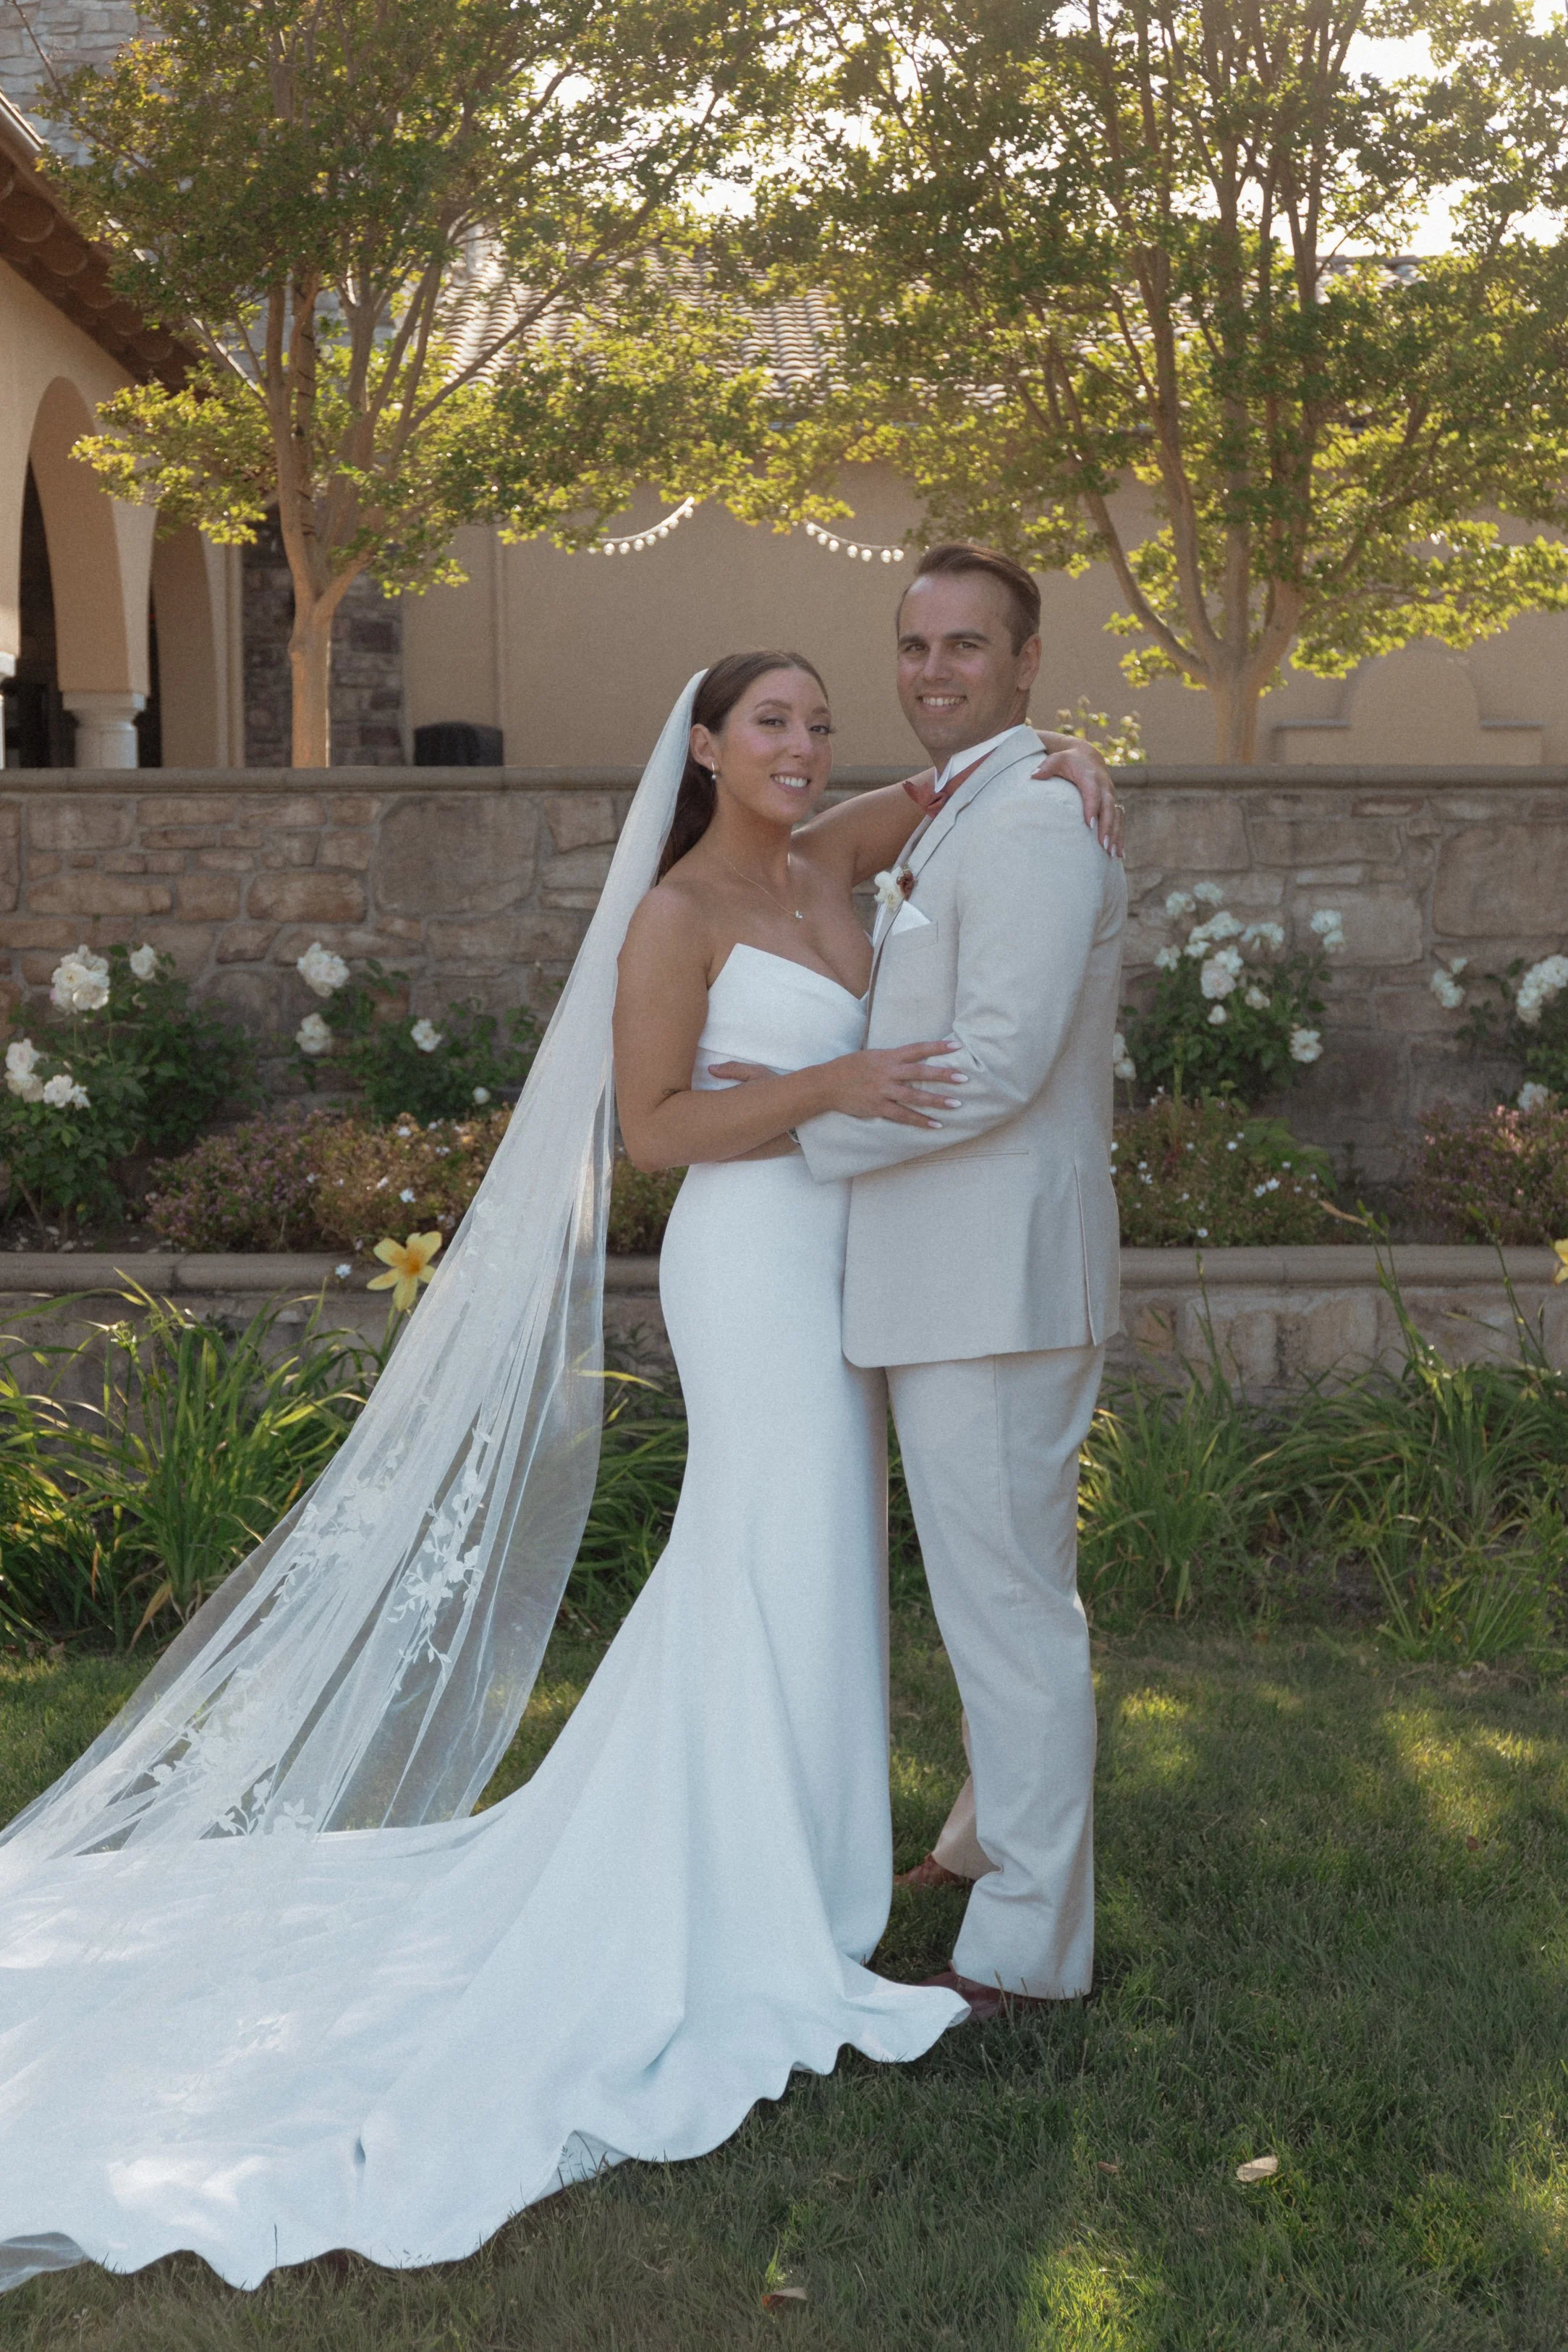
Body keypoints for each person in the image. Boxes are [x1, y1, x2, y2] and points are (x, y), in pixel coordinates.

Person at [0, 650, 1117, 2297]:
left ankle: (806, 1850)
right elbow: (655, 1129)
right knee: (770, 1537)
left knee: (810, 1560)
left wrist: (1078, 748)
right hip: (751, 1259)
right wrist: (830, 1083)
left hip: (853, 1255)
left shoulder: (836, 849)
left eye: (818, 720)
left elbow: (973, 780)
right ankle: (745, 1876)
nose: (807, 746)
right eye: (773, 726)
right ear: (710, 751)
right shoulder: (676, 913)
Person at [792, 545, 1129, 2021]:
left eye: (968, 646)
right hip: (950, 1277)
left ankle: (1029, 1949)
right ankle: (987, 1838)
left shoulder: (1042, 819)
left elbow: (996, 1062)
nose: (935, 670)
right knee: (1000, 1594)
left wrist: (785, 1122)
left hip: (997, 1282)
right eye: (916, 644)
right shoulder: (976, 796)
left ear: (1026, 658)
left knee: (1011, 1611)